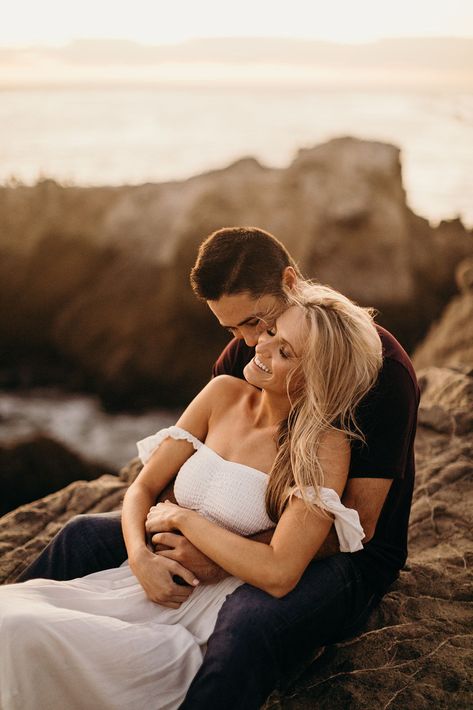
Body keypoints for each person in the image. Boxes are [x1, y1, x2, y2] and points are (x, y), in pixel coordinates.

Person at [15, 227, 420, 708]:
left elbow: (358, 524)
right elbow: (193, 467)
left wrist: (219, 554)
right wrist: (160, 545)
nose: (249, 343)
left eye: (256, 323)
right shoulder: (245, 357)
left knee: (247, 620)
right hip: (236, 529)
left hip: (345, 556)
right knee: (80, 536)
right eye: (234, 330)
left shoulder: (382, 378)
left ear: (290, 282)